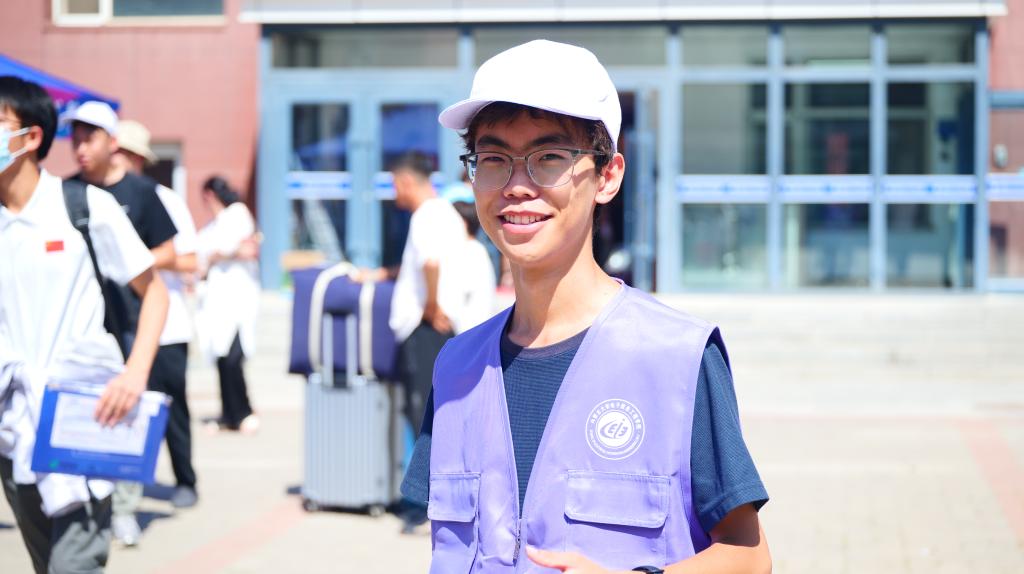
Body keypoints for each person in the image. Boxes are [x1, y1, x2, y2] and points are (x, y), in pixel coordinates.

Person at [401, 40, 771, 573]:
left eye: (549, 158)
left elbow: (750, 556)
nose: (517, 186)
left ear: (607, 176)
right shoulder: (457, 366)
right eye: (494, 159)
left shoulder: (678, 357)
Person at [0, 76, 168, 573]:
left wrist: (135, 374)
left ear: (31, 137)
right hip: (12, 425)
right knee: (46, 563)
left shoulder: (83, 207)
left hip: (81, 415)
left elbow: (154, 293)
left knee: (73, 565)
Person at [65, 101, 180, 547]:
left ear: (112, 142)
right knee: (83, 415)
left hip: (130, 320)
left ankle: (126, 508)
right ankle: (85, 505)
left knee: (127, 414)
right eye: (75, 138)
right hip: (81, 326)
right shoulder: (66, 193)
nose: (80, 147)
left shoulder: (142, 192)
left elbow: (170, 251)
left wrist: (128, 260)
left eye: (89, 138)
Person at [356, 152, 467, 533]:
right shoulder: (443, 213)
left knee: (424, 416)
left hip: (426, 328)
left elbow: (430, 263)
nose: (393, 193)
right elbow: (419, 265)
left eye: (393, 184)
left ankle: (421, 505)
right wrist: (381, 274)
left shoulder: (426, 215)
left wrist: (431, 307)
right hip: (433, 326)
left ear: (405, 181)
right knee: (431, 413)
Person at [112, 119, 200, 510]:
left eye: (124, 154)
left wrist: (137, 260)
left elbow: (190, 258)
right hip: (119, 324)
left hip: (166, 326)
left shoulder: (161, 197)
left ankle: (185, 478)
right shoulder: (96, 197)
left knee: (171, 406)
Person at [196, 176, 260, 434]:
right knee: (221, 357)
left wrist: (220, 254)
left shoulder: (237, 213)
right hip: (215, 300)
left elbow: (246, 249)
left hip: (238, 296)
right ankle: (229, 414)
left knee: (234, 356)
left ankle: (243, 410)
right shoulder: (211, 226)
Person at [445, 200, 497, 334]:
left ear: (462, 223)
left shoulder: (469, 251)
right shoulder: (476, 250)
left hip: (466, 330)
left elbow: (454, 297)